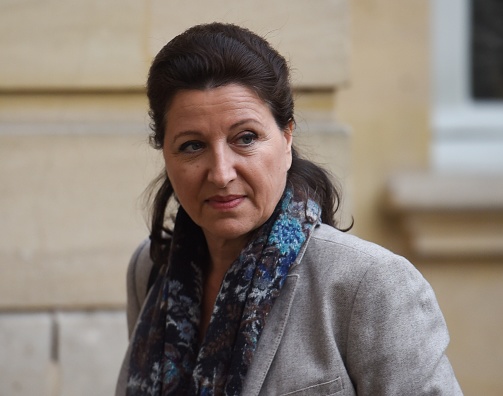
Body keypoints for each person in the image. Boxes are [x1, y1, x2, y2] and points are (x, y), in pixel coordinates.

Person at [116, 22, 462, 396]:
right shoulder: (151, 269)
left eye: (245, 138)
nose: (220, 173)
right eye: (192, 146)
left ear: (286, 138)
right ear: (165, 153)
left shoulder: (369, 285)